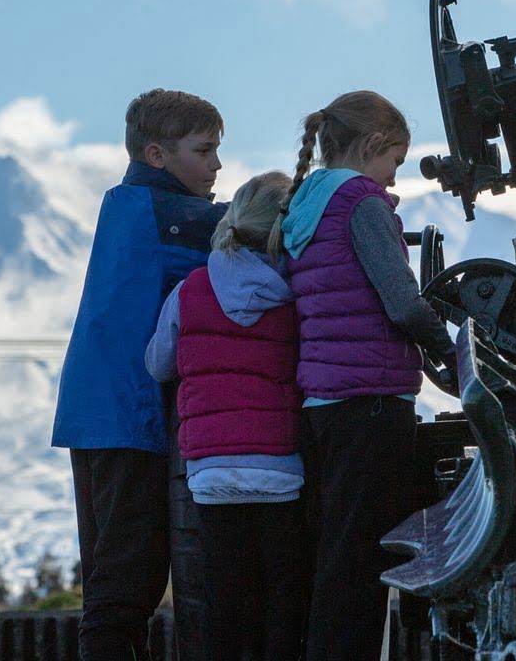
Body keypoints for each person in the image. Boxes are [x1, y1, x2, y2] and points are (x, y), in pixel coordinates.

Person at [274, 91, 454, 661]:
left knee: (334, 558)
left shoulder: (304, 205)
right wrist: (448, 349)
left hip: (323, 404)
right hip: (373, 401)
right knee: (364, 564)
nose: (392, 177)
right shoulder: (361, 202)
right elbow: (401, 303)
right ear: (375, 145)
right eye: (394, 162)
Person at [52, 89, 225, 661]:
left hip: (98, 410)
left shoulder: (129, 207)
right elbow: (241, 232)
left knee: (116, 577)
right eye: (204, 151)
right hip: (127, 414)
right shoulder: (160, 212)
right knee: (126, 583)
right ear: (157, 154)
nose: (217, 165)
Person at [146, 171, 307, 661]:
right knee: (284, 599)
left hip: (211, 474)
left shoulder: (191, 290)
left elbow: (158, 363)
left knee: (225, 602)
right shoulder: (295, 294)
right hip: (280, 469)